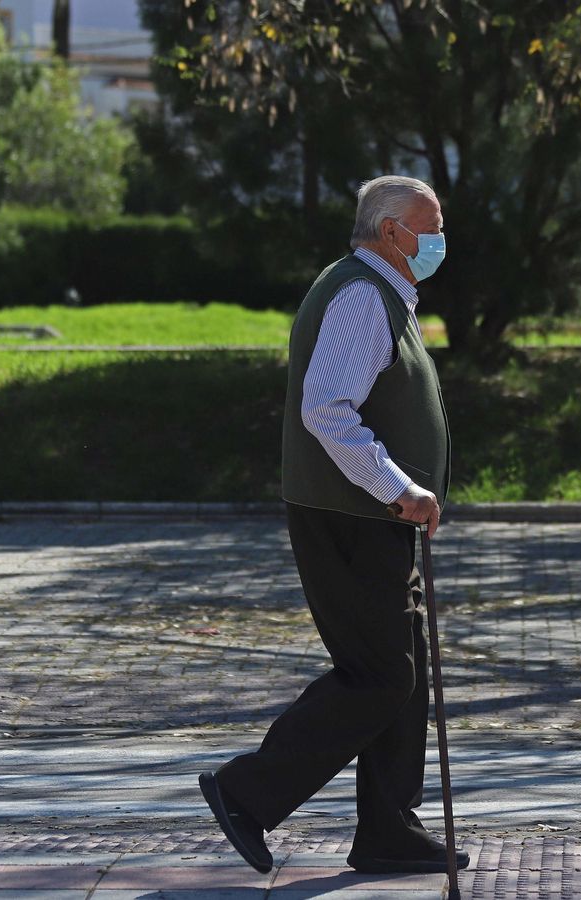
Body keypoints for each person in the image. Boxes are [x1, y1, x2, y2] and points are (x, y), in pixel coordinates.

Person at [199, 175, 466, 876]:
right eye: (427, 229)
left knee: (401, 671)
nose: (438, 242)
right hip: (349, 515)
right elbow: (328, 409)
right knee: (380, 674)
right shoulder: (359, 296)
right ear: (389, 232)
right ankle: (246, 793)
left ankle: (387, 828)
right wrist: (400, 487)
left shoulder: (381, 293)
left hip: (370, 516)